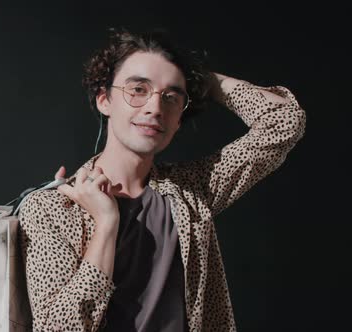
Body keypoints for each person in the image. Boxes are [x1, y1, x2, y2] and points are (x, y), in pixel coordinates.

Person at [17, 27, 306, 332]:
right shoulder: (51, 207)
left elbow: (283, 122)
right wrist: (105, 225)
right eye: (138, 90)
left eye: (170, 97)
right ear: (104, 100)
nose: (155, 107)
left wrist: (201, 79)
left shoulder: (191, 191)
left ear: (179, 118)